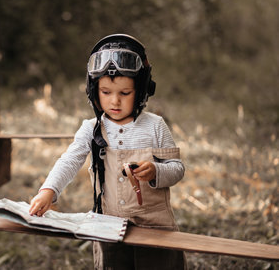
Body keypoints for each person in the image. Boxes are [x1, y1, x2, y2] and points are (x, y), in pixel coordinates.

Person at [29, 34, 186, 269]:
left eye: (124, 93)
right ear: (94, 90)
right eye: (106, 92)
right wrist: (48, 190)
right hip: (108, 224)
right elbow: (69, 160)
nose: (115, 101)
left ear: (141, 90)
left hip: (155, 226)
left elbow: (177, 169)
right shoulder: (91, 129)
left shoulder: (155, 126)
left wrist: (156, 171)